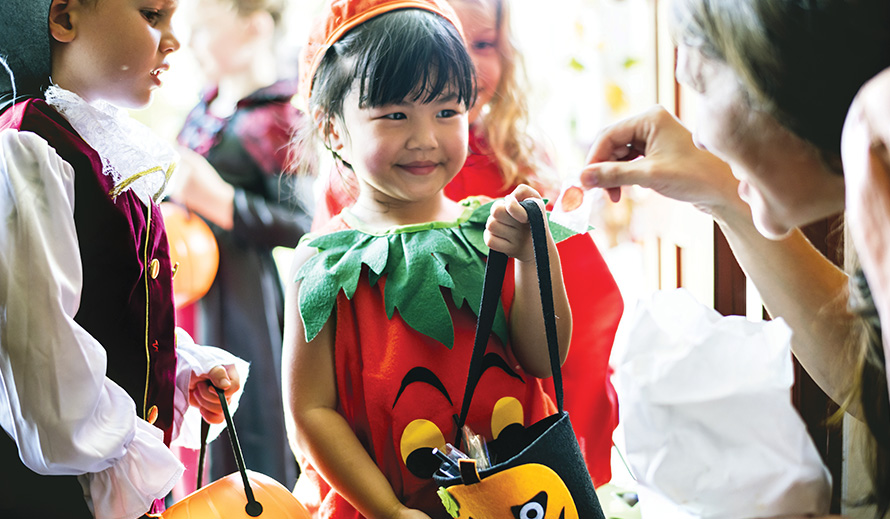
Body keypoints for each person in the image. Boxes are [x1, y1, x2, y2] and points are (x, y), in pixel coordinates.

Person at [577, 0, 890, 516]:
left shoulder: (874, 131)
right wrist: (726, 194)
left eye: (699, 81)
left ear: (790, 65)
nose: (696, 134)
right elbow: (874, 380)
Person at [282, 0, 577, 517]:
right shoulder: (324, 264)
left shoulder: (492, 229)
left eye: (447, 112)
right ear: (333, 129)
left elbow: (542, 356)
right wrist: (389, 512)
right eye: (395, 115)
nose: (425, 139)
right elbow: (309, 411)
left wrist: (535, 258)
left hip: (516, 499)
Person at [0, 1, 249, 518]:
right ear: (64, 18)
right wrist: (128, 450)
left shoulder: (104, 148)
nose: (173, 40)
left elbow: (110, 306)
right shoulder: (26, 148)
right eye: (151, 14)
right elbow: (42, 358)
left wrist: (178, 368)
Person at [169, 0, 312, 489]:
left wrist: (223, 202)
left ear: (252, 28)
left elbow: (305, 220)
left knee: (242, 424)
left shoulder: (277, 116)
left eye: (204, 30)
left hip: (243, 297)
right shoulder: (203, 106)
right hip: (189, 292)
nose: (190, 43)